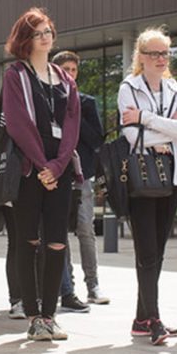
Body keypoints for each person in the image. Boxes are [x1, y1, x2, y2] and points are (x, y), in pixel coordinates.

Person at [2, 7, 81, 341]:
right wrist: (40, 163)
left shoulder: (63, 78)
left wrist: (58, 165)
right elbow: (18, 122)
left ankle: (50, 315)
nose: (46, 37)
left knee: (56, 241)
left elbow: (72, 122)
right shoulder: (15, 75)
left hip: (58, 170)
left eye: (49, 30)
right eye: (38, 32)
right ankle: (33, 315)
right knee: (27, 241)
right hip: (28, 169)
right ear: (26, 39)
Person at [117, 29, 177, 345]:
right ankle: (154, 319)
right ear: (141, 56)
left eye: (165, 54)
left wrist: (146, 118)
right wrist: (165, 130)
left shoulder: (176, 89)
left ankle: (141, 318)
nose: (161, 59)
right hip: (142, 176)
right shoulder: (127, 88)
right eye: (154, 53)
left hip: (172, 176)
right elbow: (130, 136)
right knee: (146, 250)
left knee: (158, 251)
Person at [53, 51, 108, 312]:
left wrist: (74, 114)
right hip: (57, 173)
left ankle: (93, 284)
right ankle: (68, 287)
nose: (70, 73)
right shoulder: (49, 101)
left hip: (82, 173)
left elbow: (97, 139)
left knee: (85, 229)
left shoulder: (86, 102)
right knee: (59, 231)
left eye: (74, 69)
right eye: (65, 68)